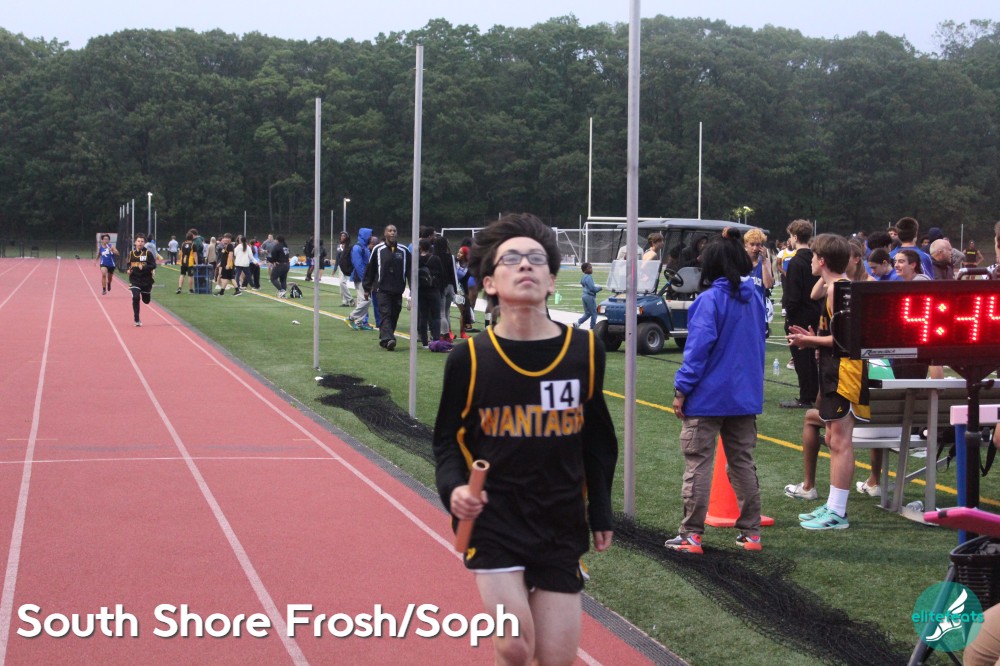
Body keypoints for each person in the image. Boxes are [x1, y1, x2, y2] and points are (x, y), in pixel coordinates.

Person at [432, 213, 617, 666]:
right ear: (489, 283)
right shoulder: (469, 358)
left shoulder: (584, 351)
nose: (525, 265)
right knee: (515, 646)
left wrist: (601, 509)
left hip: (560, 520)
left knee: (555, 658)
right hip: (495, 521)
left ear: (552, 281)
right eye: (511, 259)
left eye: (536, 259)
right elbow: (447, 441)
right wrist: (454, 490)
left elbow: (598, 438)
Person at [665, 230, 766, 554]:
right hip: (744, 396)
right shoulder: (755, 298)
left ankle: (691, 535)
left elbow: (697, 352)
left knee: (698, 464)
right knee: (742, 463)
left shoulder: (708, 301)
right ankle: (751, 533)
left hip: (707, 398)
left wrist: (681, 390)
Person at [787, 234, 870, 530]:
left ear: (822, 261)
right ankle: (834, 505)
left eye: (813, 256)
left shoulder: (838, 289)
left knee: (841, 441)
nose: (810, 260)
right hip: (836, 370)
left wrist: (810, 341)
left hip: (845, 371)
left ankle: (838, 512)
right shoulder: (835, 286)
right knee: (833, 439)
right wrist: (815, 338)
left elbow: (844, 340)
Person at [780, 219, 822, 409]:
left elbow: (793, 295)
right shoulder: (815, 258)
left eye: (790, 236)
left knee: (801, 359)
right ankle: (814, 393)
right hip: (816, 312)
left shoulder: (796, 262)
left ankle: (806, 396)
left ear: (795, 237)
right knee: (813, 358)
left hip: (799, 316)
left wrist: (789, 315)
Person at [362, 224, 411, 351]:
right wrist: (366, 288)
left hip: (398, 290)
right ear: (385, 233)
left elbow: (410, 271)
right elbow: (370, 269)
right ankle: (390, 339)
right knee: (385, 314)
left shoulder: (404, 250)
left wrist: (412, 289)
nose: (392, 233)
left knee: (394, 315)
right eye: (390, 231)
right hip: (382, 289)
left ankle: (385, 339)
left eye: (394, 231)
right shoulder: (378, 249)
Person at [416, 238, 443, 347]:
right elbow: (441, 274)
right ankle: (436, 339)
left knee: (423, 316)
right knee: (436, 316)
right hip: (434, 289)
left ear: (420, 247)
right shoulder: (435, 259)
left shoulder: (417, 259)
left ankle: (424, 341)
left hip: (421, 290)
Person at [126, 233, 157, 327]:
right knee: (136, 297)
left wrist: (144, 267)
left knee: (146, 301)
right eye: (138, 241)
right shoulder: (131, 254)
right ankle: (136, 319)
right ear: (135, 242)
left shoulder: (148, 253)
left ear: (144, 243)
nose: (140, 243)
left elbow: (153, 265)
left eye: (142, 241)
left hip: (146, 280)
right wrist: (128, 270)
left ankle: (147, 294)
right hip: (135, 279)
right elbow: (128, 265)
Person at [348, 228, 375, 331]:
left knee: (362, 301)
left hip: (364, 277)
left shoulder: (364, 247)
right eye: (370, 235)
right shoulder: (357, 248)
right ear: (365, 236)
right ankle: (351, 317)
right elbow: (358, 265)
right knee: (366, 300)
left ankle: (359, 322)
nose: (371, 237)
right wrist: (365, 279)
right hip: (360, 278)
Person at [576, 262, 601, 329]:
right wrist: (599, 288)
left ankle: (578, 323)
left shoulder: (583, 277)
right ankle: (592, 328)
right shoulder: (589, 277)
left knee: (587, 313)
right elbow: (592, 288)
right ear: (585, 270)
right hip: (589, 297)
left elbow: (582, 283)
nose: (591, 269)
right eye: (590, 268)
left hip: (584, 296)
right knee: (594, 313)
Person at [335, 231, 354, 306]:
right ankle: (344, 302)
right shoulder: (339, 246)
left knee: (342, 283)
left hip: (346, 266)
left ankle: (350, 299)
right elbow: (337, 257)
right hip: (340, 266)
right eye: (341, 236)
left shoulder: (349, 246)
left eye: (344, 236)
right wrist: (335, 267)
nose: (342, 237)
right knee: (341, 284)